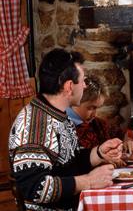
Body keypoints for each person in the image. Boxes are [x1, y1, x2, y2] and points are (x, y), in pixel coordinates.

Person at [8, 48, 123, 210]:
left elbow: (70, 163)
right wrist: (88, 181)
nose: (84, 85)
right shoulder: (35, 123)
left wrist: (98, 153)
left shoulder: (59, 116)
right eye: (82, 81)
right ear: (69, 86)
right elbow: (35, 188)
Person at [66, 75, 133, 163]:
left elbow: (121, 134)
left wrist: (128, 140)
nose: (94, 114)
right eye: (91, 108)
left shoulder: (97, 123)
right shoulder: (61, 126)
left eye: (97, 108)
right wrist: (102, 160)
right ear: (76, 101)